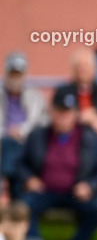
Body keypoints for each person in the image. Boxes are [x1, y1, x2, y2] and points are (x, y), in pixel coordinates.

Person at [18, 91, 97, 240]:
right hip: (44, 190)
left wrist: (89, 186)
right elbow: (22, 164)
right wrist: (29, 178)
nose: (63, 117)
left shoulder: (88, 136)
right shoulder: (38, 135)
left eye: (67, 112)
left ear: (75, 114)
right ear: (51, 112)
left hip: (75, 192)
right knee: (24, 207)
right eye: (59, 111)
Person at [52, 48, 97, 198]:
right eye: (80, 67)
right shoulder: (63, 91)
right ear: (74, 69)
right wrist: (80, 117)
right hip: (71, 144)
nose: (83, 70)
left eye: (86, 66)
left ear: (94, 69)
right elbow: (56, 115)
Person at [0, 53, 48, 199]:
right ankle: (14, 189)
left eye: (18, 74)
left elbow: (43, 125)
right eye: (12, 74)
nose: (15, 78)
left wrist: (21, 131)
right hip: (3, 144)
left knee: (13, 150)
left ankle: (6, 180)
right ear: (6, 74)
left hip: (26, 145)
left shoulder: (37, 98)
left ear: (25, 74)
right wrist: (8, 132)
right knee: (9, 144)